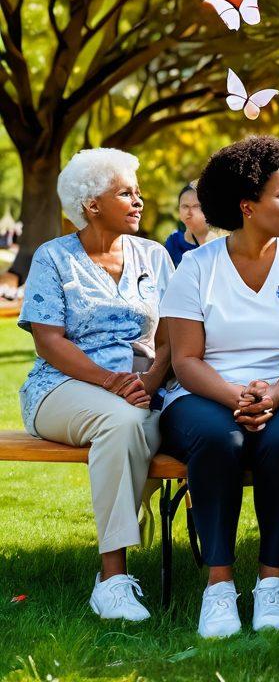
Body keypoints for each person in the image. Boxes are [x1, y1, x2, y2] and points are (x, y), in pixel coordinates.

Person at [159, 136, 279, 639]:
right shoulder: (197, 267)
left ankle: (272, 584)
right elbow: (185, 360)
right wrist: (235, 398)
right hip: (202, 395)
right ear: (247, 206)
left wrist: (273, 396)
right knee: (219, 440)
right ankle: (219, 587)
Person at [18, 148, 173, 621]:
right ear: (91, 204)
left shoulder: (155, 255)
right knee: (126, 424)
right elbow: (48, 340)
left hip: (145, 385)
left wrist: (148, 378)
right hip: (61, 386)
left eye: (138, 192)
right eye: (125, 192)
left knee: (142, 422)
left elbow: (173, 334)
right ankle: (111, 580)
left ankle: (126, 514)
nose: (138, 201)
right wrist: (112, 381)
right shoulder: (53, 257)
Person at [164, 182, 212, 268]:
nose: (190, 212)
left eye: (197, 206)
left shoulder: (222, 244)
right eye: (185, 206)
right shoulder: (173, 242)